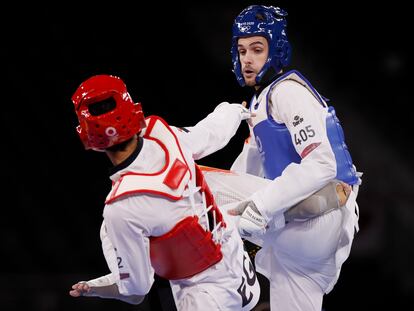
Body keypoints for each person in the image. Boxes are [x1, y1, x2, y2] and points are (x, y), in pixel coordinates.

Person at [67, 74, 261, 310]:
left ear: (87, 135)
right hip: (238, 258)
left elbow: (137, 291)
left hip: (206, 297)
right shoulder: (162, 134)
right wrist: (231, 111)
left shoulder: (120, 208)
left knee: (110, 229)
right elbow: (210, 134)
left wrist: (98, 289)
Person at [224, 4, 363, 311]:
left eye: (257, 49)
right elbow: (241, 175)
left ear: (276, 51)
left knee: (193, 196)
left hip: (317, 217)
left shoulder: (286, 92)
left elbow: (323, 162)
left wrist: (259, 206)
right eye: (242, 49)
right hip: (310, 228)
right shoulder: (260, 103)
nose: (247, 58)